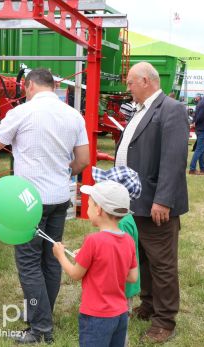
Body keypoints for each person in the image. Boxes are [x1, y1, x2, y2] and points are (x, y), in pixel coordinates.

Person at [0, 68, 90, 344]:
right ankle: (41, 313)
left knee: (29, 263)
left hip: (28, 203)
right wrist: (63, 173)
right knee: (52, 260)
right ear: (54, 86)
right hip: (58, 198)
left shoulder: (22, 112)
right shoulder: (73, 115)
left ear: (29, 86)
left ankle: (40, 329)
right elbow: (83, 160)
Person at [114, 62, 189, 343]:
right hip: (136, 202)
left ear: (145, 81)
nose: (128, 88)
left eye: (131, 82)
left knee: (162, 263)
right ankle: (148, 304)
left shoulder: (171, 109)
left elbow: (173, 158)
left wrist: (164, 200)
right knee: (143, 258)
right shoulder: (142, 109)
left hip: (156, 203)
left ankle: (165, 320)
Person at [52, 180, 138, 347]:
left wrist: (60, 255)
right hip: (121, 313)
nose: (87, 208)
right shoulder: (127, 240)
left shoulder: (93, 241)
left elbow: (75, 274)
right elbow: (133, 276)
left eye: (89, 204)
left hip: (96, 317)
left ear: (99, 210)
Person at [91, 165, 142, 347]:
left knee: (118, 330)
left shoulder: (122, 226)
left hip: (120, 288)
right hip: (122, 285)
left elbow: (117, 259)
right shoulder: (126, 220)